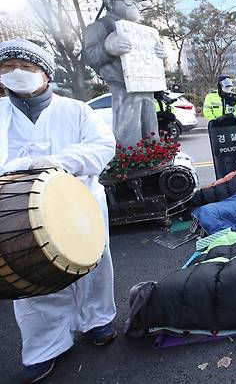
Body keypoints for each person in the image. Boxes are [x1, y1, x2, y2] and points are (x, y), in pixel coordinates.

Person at [0, 38, 117, 383]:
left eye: (28, 67)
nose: (17, 73)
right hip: (16, 215)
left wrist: (56, 163)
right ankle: (44, 347)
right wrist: (20, 169)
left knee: (93, 263)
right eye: (8, 68)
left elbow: (102, 147)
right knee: (31, 275)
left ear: (46, 73)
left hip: (79, 204)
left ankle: (98, 320)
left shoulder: (77, 110)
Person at [83, 0, 165, 149]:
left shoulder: (140, 31)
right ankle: (131, 161)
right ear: (110, 1)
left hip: (144, 84)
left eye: (136, 3)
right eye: (128, 1)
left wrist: (158, 54)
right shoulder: (100, 26)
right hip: (122, 85)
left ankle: (155, 155)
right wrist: (107, 49)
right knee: (129, 131)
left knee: (151, 128)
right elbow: (90, 56)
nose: (135, 6)